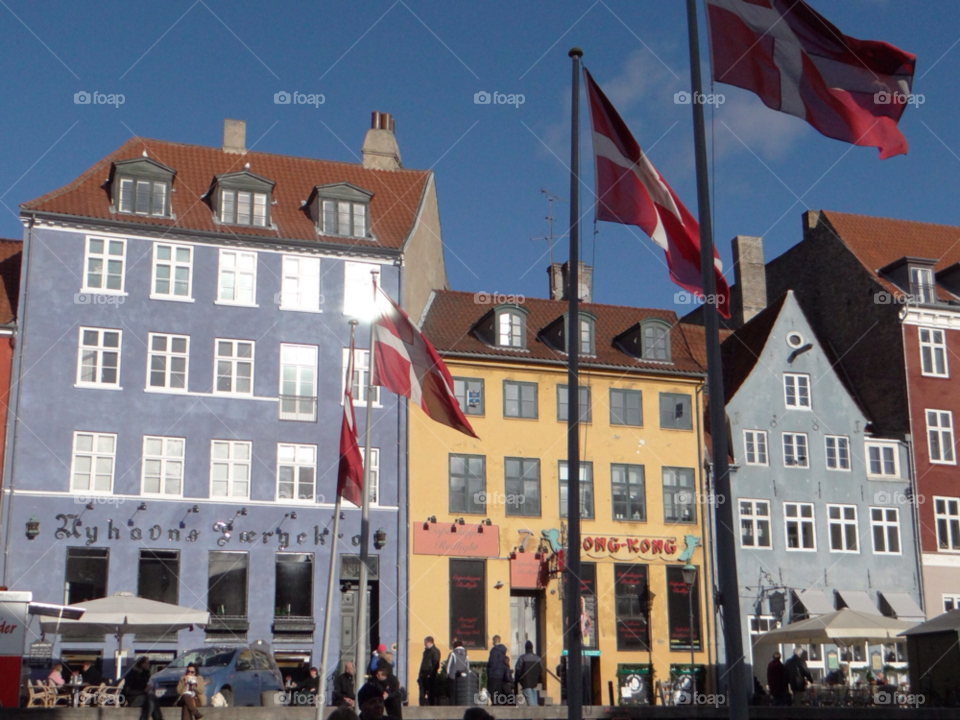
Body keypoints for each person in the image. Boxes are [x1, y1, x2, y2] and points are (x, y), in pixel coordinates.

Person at [514, 641, 543, 708]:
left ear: (525, 648)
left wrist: (517, 679)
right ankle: (536, 715)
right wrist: (539, 679)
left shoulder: (522, 658)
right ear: (532, 648)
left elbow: (518, 670)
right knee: (534, 699)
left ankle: (533, 716)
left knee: (530, 701)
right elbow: (541, 669)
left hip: (525, 682)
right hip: (534, 682)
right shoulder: (538, 658)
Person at [486, 635, 510, 705]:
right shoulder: (503, 650)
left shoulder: (494, 651)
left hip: (494, 674)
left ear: (494, 641)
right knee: (498, 692)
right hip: (500, 674)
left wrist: (489, 673)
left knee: (492, 691)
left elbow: (492, 663)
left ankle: (494, 706)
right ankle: (499, 706)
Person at [418, 636, 441, 706]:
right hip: (423, 674)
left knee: (430, 692)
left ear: (430, 642)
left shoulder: (435, 651)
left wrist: (430, 674)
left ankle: (431, 706)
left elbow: (435, 664)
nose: (424, 644)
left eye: (425, 642)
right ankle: (421, 706)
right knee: (422, 692)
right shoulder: (426, 651)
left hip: (429, 674)